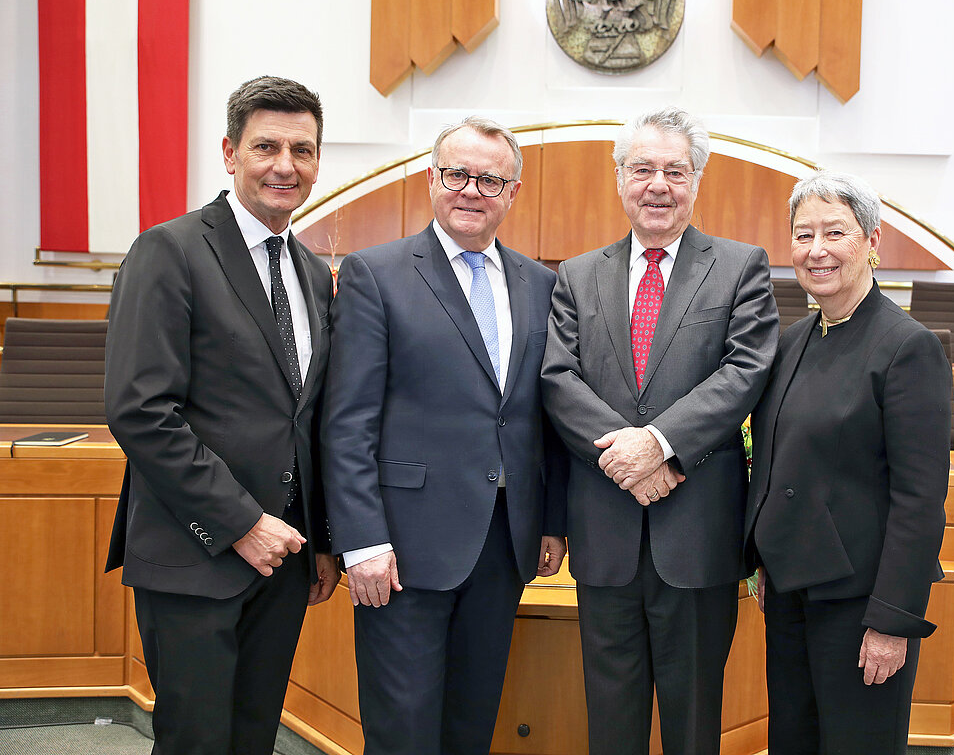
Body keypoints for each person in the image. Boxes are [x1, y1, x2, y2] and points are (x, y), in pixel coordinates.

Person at [105, 75, 339, 754]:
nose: (285, 166)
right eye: (267, 146)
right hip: (195, 551)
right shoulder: (170, 250)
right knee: (196, 741)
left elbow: (306, 418)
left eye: (303, 150)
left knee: (251, 737)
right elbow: (140, 410)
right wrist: (242, 523)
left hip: (283, 563)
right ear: (230, 153)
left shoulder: (307, 267)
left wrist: (317, 537)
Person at [321, 117, 568, 755]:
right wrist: (361, 542)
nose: (471, 190)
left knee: (470, 725)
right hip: (401, 548)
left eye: (490, 179)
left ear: (513, 192)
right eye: (457, 174)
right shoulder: (376, 274)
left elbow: (544, 417)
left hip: (501, 544)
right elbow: (347, 423)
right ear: (433, 179)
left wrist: (550, 520)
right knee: (402, 732)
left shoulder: (540, 284)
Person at [541, 107, 778, 755]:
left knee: (694, 722)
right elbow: (558, 380)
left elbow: (745, 371)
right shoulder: (577, 274)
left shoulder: (739, 267)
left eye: (675, 170)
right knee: (610, 719)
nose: (658, 184)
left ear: (697, 181)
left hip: (697, 535)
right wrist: (628, 456)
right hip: (605, 534)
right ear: (619, 179)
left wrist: (659, 444)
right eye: (642, 168)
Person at [744, 171, 953, 754]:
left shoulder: (909, 348)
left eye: (834, 232)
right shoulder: (790, 342)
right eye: (803, 234)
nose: (817, 250)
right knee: (794, 742)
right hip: (789, 593)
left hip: (862, 606)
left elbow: (920, 501)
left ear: (871, 241)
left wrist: (892, 619)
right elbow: (779, 463)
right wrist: (763, 556)